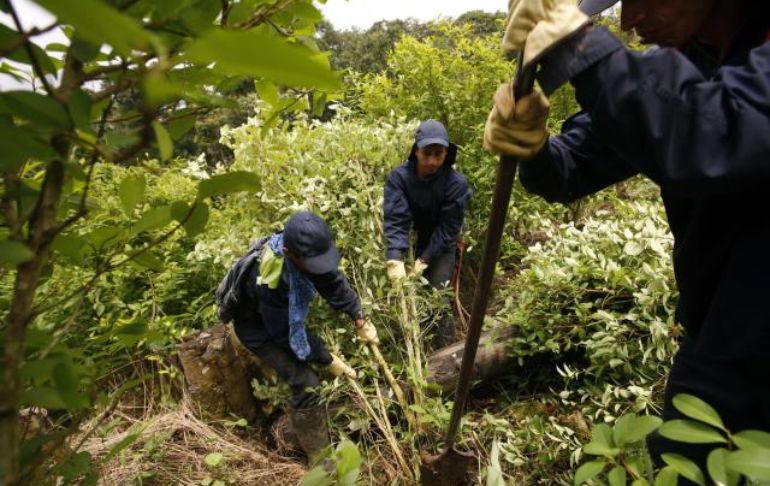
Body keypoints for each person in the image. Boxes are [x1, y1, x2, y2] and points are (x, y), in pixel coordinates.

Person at [484, 0, 770, 475]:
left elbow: (712, 131)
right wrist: (535, 150)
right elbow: (575, 166)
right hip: (719, 344)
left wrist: (577, 47)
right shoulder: (690, 59)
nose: (629, 20)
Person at [216, 211, 378, 463]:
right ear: (290, 253)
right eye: (313, 262)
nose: (319, 266)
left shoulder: (307, 254)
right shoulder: (269, 279)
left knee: (311, 367)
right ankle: (321, 460)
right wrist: (327, 358)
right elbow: (285, 334)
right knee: (307, 382)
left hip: (275, 320)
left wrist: (358, 316)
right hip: (258, 331)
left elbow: (332, 281)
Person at [383, 119, 473, 348]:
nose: (432, 161)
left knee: (438, 297)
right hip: (417, 237)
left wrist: (424, 260)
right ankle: (419, 347)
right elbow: (397, 217)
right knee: (415, 295)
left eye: (439, 154)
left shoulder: (456, 184)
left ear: (446, 154)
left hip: (444, 243)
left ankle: (447, 352)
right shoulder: (399, 178)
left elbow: (448, 228)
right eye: (427, 153)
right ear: (416, 151)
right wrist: (395, 256)